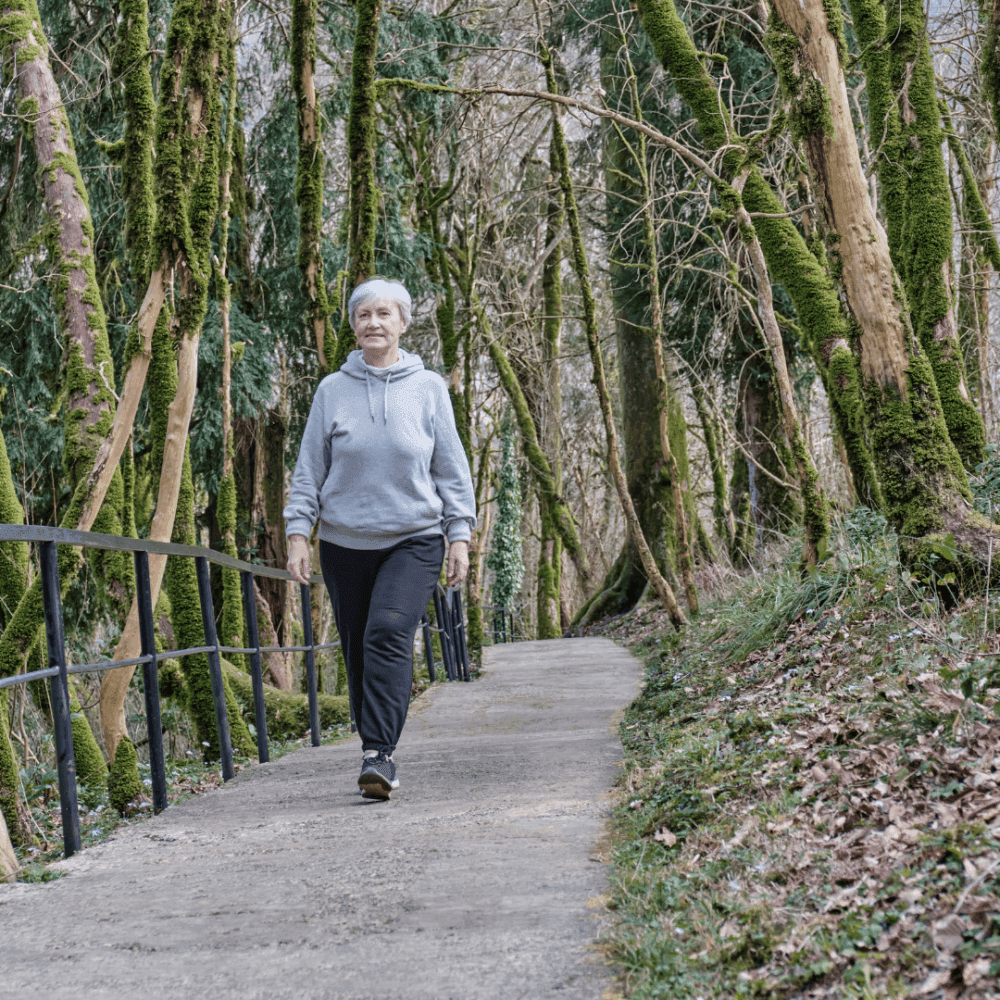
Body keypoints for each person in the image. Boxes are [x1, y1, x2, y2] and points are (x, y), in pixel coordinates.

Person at [284, 277, 476, 800]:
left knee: (388, 631)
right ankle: (375, 747)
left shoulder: (429, 387)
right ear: (353, 325)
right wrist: (298, 531)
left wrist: (459, 535)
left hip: (414, 538)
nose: (374, 322)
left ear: (403, 323)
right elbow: (309, 469)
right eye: (364, 314)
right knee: (357, 649)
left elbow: (451, 468)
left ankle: (379, 755)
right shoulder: (332, 390)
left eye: (385, 314)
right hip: (345, 543)